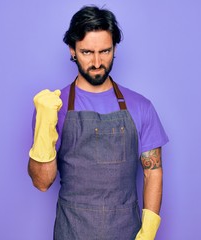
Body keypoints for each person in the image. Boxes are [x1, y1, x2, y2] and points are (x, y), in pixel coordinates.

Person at [28, 5, 169, 240]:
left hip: (126, 232)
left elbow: (152, 172)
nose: (96, 62)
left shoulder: (141, 107)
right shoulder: (54, 107)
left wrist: (149, 231)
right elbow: (42, 182)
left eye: (105, 51)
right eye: (86, 52)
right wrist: (44, 125)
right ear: (72, 50)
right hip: (71, 232)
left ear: (114, 49)